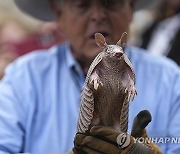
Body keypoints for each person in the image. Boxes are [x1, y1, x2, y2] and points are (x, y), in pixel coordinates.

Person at [0, 0, 179, 153]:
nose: (98, 16)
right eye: (82, 5)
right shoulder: (24, 78)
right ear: (59, 13)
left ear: (130, 8)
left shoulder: (168, 80)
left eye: (111, 3)